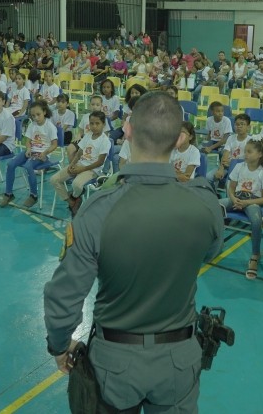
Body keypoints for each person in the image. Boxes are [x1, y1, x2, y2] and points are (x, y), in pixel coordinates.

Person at [43, 92, 222, 412]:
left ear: (127, 130)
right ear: (178, 138)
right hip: (178, 359)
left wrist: (58, 345)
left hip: (115, 361)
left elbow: (64, 295)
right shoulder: (204, 205)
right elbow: (209, 252)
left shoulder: (98, 211)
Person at [220, 139, 263, 280]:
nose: (246, 154)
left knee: (256, 221)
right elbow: (231, 188)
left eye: (249, 151)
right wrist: (234, 199)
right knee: (215, 206)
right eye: (245, 151)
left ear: (260, 154)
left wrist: (245, 202)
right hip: (237, 198)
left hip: (253, 202)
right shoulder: (239, 167)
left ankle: (255, 255)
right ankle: (216, 242)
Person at [0, 101, 59, 208]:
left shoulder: (49, 126)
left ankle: (33, 195)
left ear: (44, 112)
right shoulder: (32, 125)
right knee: (11, 164)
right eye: (33, 115)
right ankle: (8, 194)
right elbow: (28, 140)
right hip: (31, 151)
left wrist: (45, 153)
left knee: (28, 166)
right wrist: (28, 149)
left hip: (43, 154)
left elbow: (54, 144)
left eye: (38, 114)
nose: (35, 117)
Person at [51, 111, 111, 215]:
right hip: (79, 165)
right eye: (91, 123)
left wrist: (82, 169)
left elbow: (100, 162)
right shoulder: (88, 135)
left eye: (97, 123)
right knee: (54, 179)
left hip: (92, 170)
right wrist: (72, 164)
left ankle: (74, 196)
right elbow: (79, 153)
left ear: (103, 124)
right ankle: (71, 202)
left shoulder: (105, 141)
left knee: (76, 184)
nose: (94, 126)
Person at [211, 113, 251, 191]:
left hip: (241, 169)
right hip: (227, 166)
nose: (239, 126)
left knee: (228, 184)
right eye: (236, 124)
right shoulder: (230, 138)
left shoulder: (250, 141)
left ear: (248, 127)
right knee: (210, 177)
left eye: (242, 124)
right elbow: (225, 155)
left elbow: (248, 160)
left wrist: (232, 163)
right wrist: (221, 169)